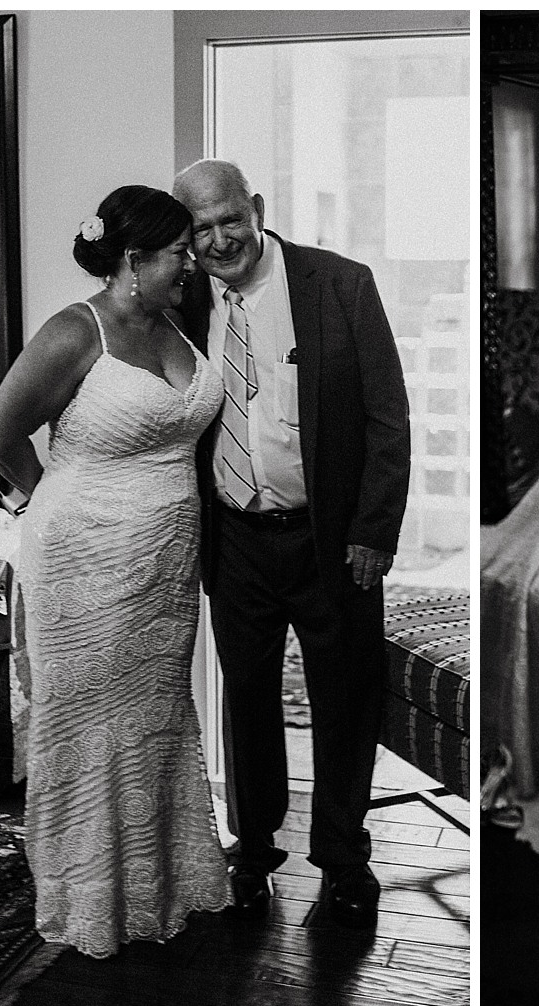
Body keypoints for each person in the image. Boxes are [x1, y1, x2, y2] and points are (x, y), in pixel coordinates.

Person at [0, 185, 231, 958]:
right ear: (131, 260)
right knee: (88, 726)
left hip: (166, 564)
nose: (192, 261)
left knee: (152, 716)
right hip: (84, 558)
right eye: (179, 251)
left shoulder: (177, 323)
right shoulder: (71, 332)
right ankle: (88, 894)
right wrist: (45, 499)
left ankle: (161, 879)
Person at [172, 159, 410, 929]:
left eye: (228, 219)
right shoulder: (181, 301)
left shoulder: (338, 284)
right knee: (246, 699)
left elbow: (388, 418)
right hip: (235, 537)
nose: (218, 240)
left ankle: (343, 857)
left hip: (331, 540)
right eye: (201, 229)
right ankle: (253, 851)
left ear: (257, 209)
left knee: (345, 699)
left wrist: (374, 531)